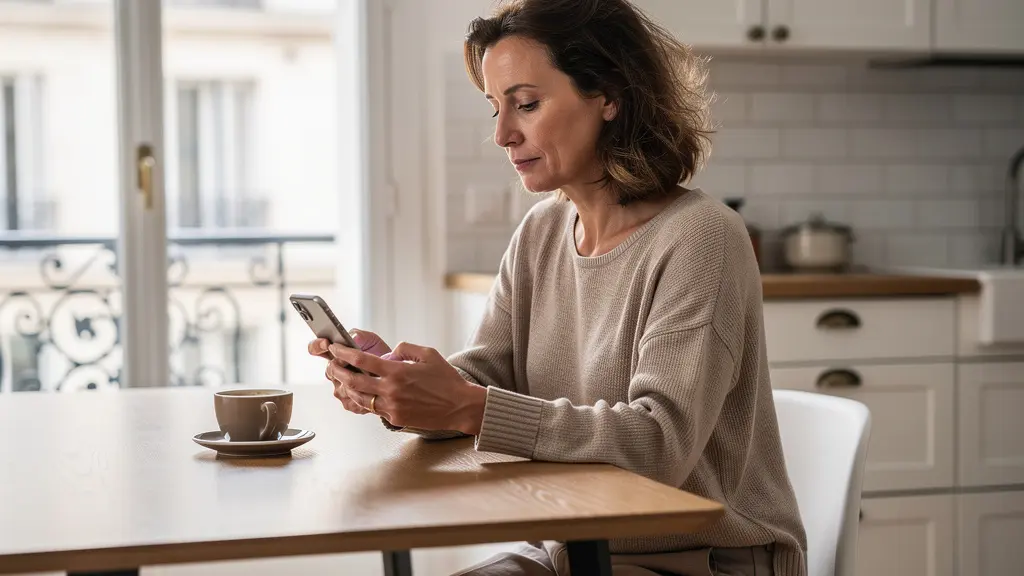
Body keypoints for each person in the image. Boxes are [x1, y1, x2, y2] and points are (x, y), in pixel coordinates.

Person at [308, 0, 807, 574]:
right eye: (495, 108)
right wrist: (404, 386)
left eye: (526, 104)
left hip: (701, 559)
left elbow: (658, 445)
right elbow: (490, 378)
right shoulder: (543, 229)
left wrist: (468, 405)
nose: (500, 134)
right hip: (575, 548)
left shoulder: (701, 237)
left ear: (609, 96)